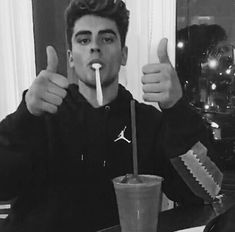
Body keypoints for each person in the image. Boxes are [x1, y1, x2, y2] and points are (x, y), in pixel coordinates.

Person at [0, 0, 223, 231]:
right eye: (84, 40)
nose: (94, 47)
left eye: (107, 39)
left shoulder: (147, 123)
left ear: (124, 55)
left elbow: (207, 191)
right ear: (70, 58)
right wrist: (26, 114)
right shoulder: (42, 116)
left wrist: (177, 108)